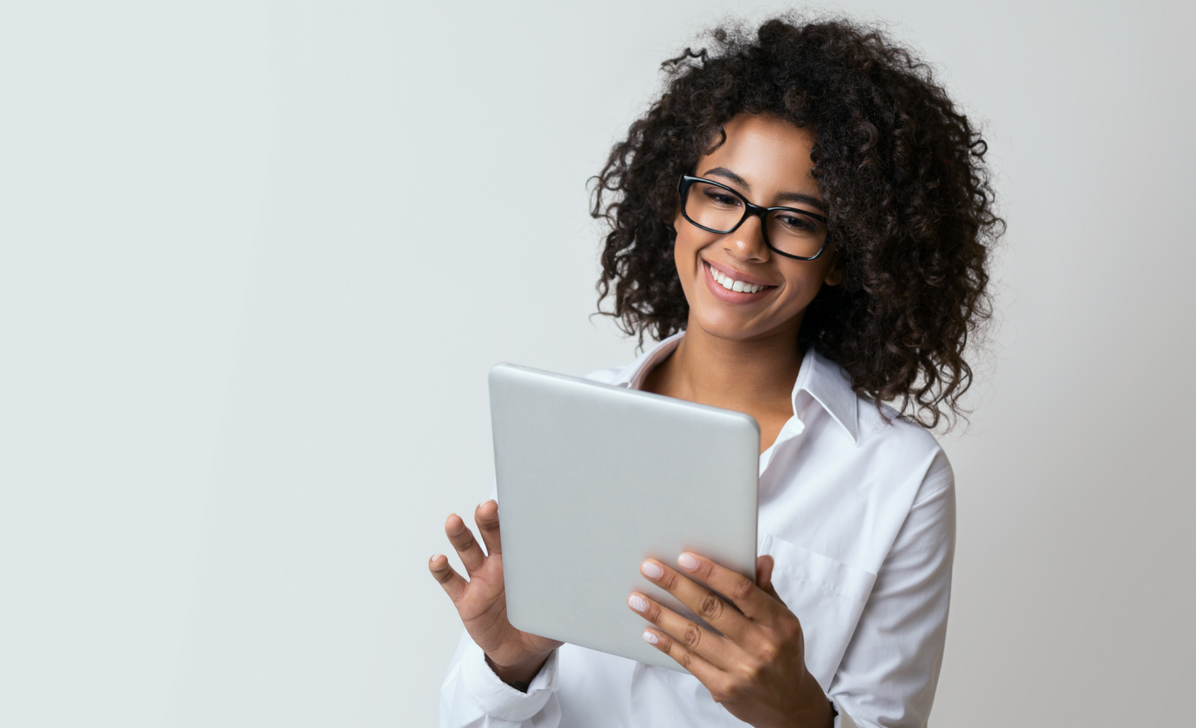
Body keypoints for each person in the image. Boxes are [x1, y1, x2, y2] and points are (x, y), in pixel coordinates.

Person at [428, 15, 1000, 728]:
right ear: (677, 207)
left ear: (846, 255)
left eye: (795, 219)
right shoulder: (562, 430)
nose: (744, 243)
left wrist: (799, 714)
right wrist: (508, 664)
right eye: (722, 196)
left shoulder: (899, 477)